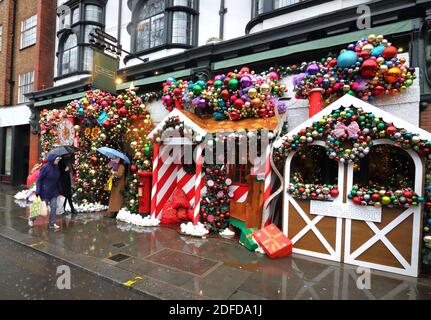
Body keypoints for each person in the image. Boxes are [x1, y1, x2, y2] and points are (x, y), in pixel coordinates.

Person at [34, 154, 62, 230]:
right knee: (42, 209)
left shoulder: (57, 167)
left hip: (54, 191)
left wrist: (60, 189)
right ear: (52, 159)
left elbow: (57, 180)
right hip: (45, 191)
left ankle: (52, 224)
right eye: (57, 159)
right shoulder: (45, 168)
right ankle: (32, 218)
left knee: (54, 207)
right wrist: (38, 190)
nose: (58, 160)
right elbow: (39, 180)